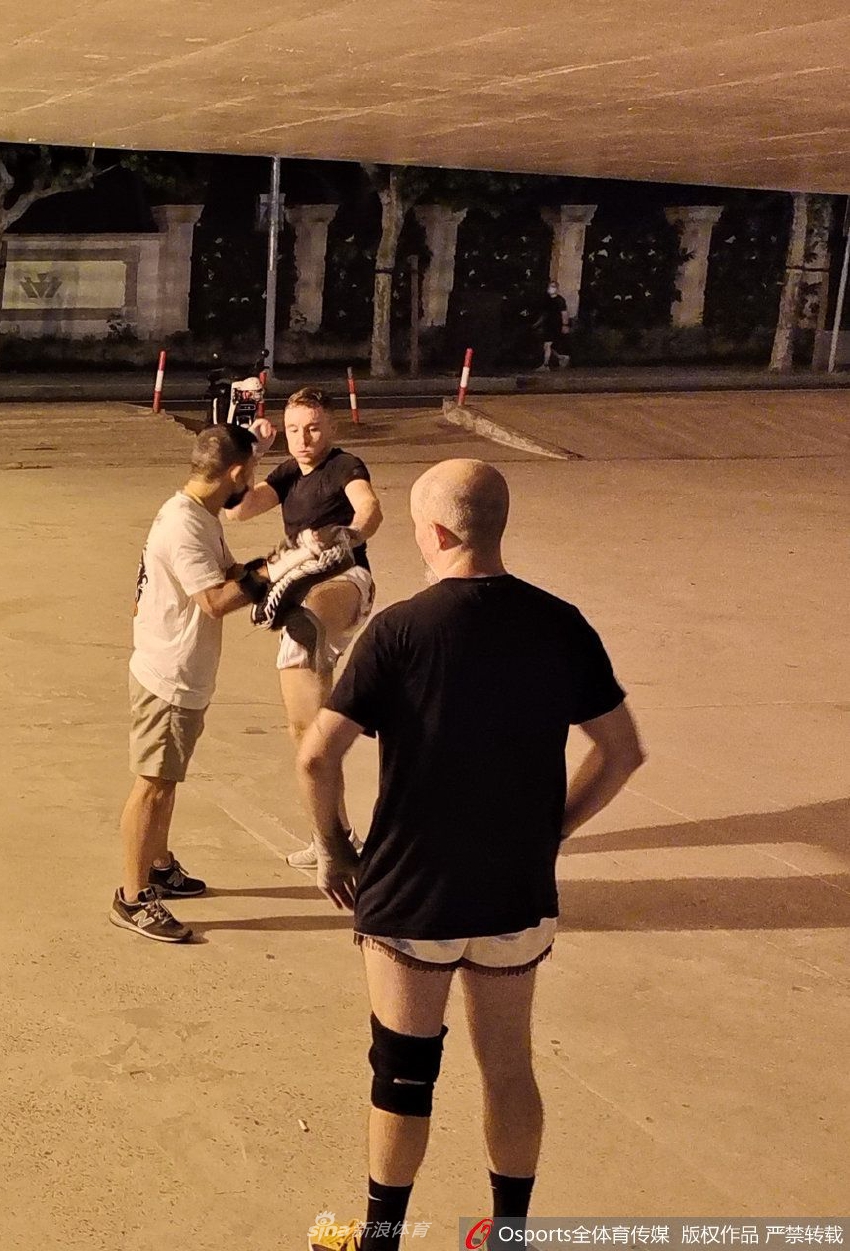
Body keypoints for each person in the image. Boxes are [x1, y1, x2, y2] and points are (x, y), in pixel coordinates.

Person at [296, 459, 645, 1245]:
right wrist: (552, 829)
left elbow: (317, 756)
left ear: (438, 531)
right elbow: (621, 751)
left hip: (412, 894)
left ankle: (382, 1237)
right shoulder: (561, 623)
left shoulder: (400, 630)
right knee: (509, 1065)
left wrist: (335, 849)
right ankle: (507, 1233)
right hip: (515, 892)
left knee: (403, 1071)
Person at [111, 417, 300, 943]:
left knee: (166, 780)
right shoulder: (185, 526)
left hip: (180, 668)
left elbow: (231, 574)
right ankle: (133, 898)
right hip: (168, 674)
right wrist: (275, 570)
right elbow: (215, 600)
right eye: (252, 472)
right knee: (153, 785)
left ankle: (158, 865)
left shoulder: (197, 514)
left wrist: (280, 564)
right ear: (237, 473)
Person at [225, 386, 383, 869]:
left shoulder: (345, 465)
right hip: (296, 584)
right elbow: (236, 510)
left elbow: (370, 509)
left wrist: (348, 536)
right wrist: (252, 452)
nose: (303, 439)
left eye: (313, 428)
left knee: (315, 599)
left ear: (331, 426)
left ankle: (305, 616)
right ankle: (332, 836)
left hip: (344, 578)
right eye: (294, 430)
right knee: (307, 732)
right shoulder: (288, 472)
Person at [535, 280, 571, 370]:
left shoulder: (560, 300)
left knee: (547, 345)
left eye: (553, 287)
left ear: (557, 289)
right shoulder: (546, 300)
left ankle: (546, 365)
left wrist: (565, 325)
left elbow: (564, 313)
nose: (551, 289)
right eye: (550, 286)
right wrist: (538, 323)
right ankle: (561, 357)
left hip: (556, 325)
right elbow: (545, 314)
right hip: (548, 325)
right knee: (546, 346)